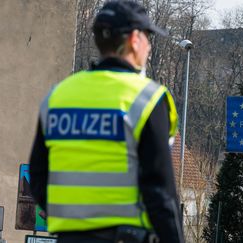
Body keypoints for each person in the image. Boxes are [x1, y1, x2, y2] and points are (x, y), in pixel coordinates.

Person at [29, 1, 184, 242]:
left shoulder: (57, 96)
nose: (149, 46)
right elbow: (160, 191)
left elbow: (38, 176)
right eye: (147, 37)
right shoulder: (147, 98)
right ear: (134, 39)